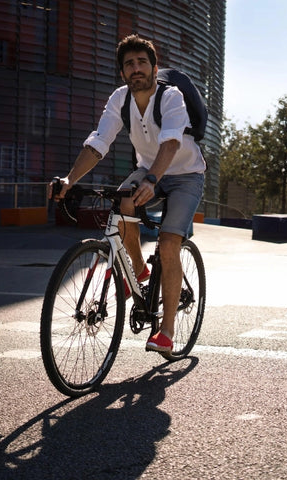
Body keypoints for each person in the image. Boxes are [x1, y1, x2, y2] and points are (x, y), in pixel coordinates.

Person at [50, 34, 205, 354]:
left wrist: (150, 180)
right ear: (122, 72)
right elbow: (98, 144)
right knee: (122, 203)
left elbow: (172, 142)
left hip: (185, 175)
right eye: (129, 64)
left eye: (142, 62)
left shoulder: (171, 97)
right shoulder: (119, 99)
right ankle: (138, 268)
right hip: (148, 170)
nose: (136, 69)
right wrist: (69, 179)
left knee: (168, 243)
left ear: (154, 67)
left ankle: (166, 331)